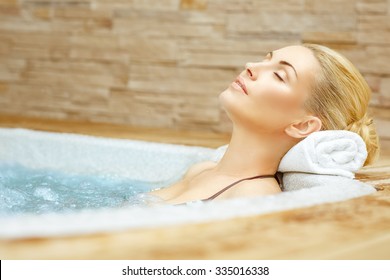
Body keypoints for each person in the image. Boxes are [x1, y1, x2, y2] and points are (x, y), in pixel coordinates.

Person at [149, 44, 380, 205]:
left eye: (280, 75)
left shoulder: (253, 196)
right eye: (265, 59)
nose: (251, 65)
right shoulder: (201, 169)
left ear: (302, 125)